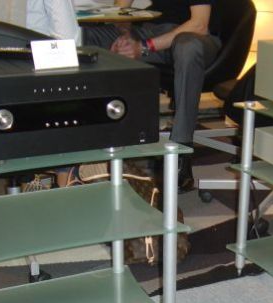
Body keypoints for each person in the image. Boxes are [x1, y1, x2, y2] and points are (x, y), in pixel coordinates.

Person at [82, 0, 221, 191]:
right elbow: (121, 8)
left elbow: (200, 24)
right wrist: (124, 33)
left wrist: (144, 47)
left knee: (187, 46)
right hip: (151, 31)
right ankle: (83, 145)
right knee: (83, 34)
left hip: (193, 36)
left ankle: (180, 153)